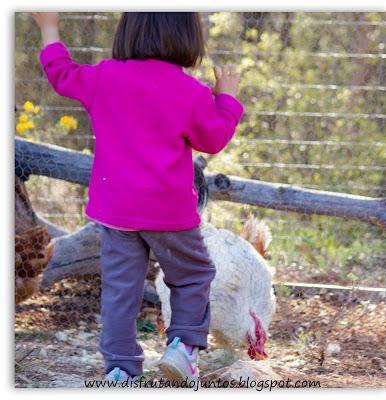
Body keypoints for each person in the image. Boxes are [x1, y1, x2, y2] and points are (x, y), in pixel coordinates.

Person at [32, 12, 244, 385]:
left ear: (128, 31)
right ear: (187, 38)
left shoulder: (104, 77)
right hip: (170, 212)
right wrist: (225, 99)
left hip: (115, 211)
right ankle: (182, 348)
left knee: (119, 292)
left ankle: (119, 370)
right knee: (192, 276)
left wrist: (49, 27)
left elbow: (61, 74)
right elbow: (213, 139)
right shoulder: (190, 92)